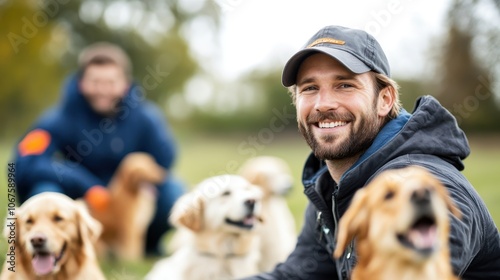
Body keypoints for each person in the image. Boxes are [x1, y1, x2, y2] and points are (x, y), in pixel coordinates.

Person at [243, 25, 500, 279]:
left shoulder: (422, 184)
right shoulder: (331, 185)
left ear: (385, 100)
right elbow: (298, 275)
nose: (323, 104)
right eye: (310, 88)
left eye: (345, 85)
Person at [13, 42, 185, 256]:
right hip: (81, 202)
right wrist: (86, 185)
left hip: (128, 203)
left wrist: (135, 177)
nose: (103, 90)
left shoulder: (146, 117)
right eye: (95, 82)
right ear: (82, 83)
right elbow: (25, 163)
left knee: (173, 191)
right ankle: (54, 249)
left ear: (125, 84)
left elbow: (164, 161)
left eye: (111, 82)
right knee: (45, 190)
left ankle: (147, 243)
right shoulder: (57, 119)